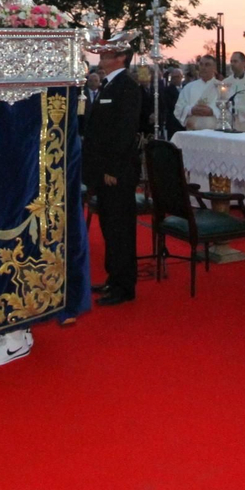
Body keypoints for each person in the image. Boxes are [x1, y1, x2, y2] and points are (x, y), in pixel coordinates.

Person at [84, 32, 150, 306]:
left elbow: (125, 132)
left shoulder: (127, 87)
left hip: (117, 172)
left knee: (121, 229)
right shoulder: (110, 86)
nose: (102, 57)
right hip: (104, 169)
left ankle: (124, 286)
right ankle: (114, 278)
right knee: (110, 227)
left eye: (108, 54)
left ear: (121, 57)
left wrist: (112, 168)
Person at [173, 55, 222, 132]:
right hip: (193, 133)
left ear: (214, 68)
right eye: (201, 64)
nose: (203, 68)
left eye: (207, 65)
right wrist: (191, 110)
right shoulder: (189, 87)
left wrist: (212, 111)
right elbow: (178, 109)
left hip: (215, 134)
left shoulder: (221, 88)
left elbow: (229, 110)